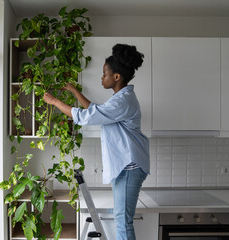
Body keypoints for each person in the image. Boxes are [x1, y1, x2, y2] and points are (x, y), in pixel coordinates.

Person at [43, 43, 150, 240]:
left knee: (122, 221)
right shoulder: (120, 99)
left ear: (116, 77)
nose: (102, 78)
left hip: (130, 166)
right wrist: (74, 91)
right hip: (127, 166)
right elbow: (95, 110)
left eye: (104, 74)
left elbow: (86, 116)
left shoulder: (122, 101)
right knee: (121, 219)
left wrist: (55, 102)